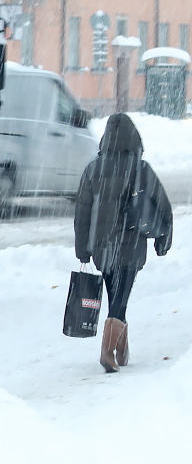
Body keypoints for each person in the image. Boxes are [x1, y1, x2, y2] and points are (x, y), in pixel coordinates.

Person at [73, 113, 173, 373]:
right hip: (130, 247)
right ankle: (108, 351)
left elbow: (81, 214)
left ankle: (121, 347)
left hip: (102, 248)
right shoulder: (141, 169)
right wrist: (163, 240)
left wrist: (83, 249)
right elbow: (163, 207)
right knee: (121, 298)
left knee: (116, 297)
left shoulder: (92, 169)